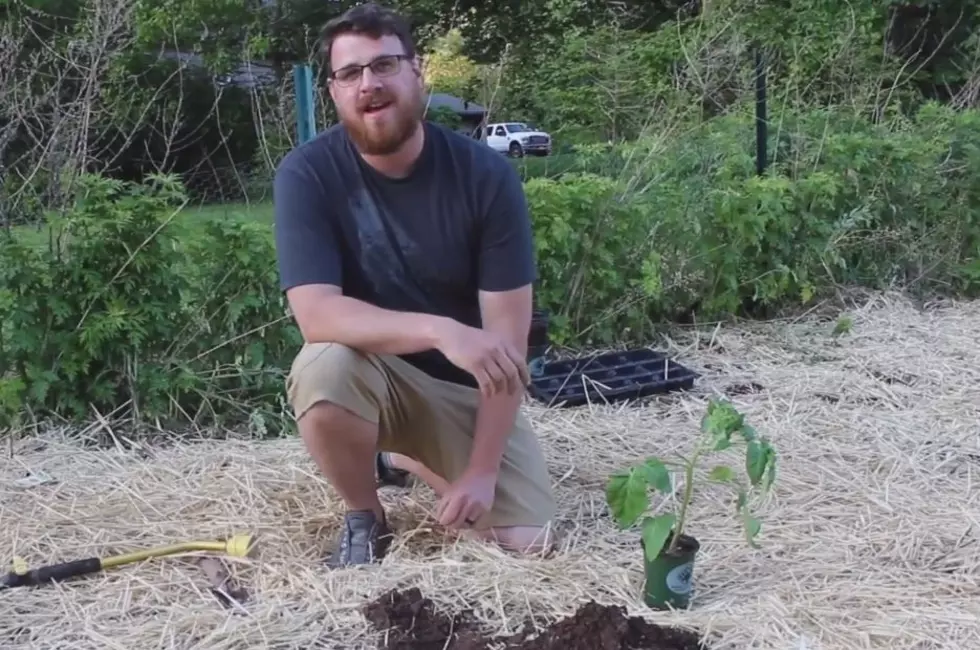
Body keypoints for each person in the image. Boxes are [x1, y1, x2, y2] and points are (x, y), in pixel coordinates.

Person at [272, 2, 557, 568]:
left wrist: (478, 474)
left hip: (467, 391)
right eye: (350, 73)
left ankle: (400, 459)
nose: (369, 84)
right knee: (322, 367)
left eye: (384, 65)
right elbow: (316, 315)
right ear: (332, 90)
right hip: (373, 376)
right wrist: (440, 330)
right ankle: (365, 512)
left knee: (528, 546)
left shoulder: (486, 176)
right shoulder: (307, 174)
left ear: (416, 71)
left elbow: (507, 346)